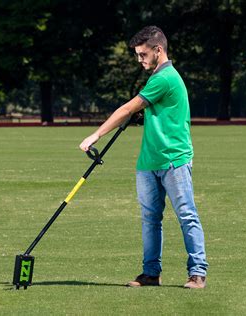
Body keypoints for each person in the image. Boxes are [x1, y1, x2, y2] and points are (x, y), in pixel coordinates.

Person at [79, 26, 208, 289]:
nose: (140, 60)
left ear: (158, 50)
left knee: (186, 215)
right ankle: (151, 274)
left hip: (174, 160)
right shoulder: (156, 79)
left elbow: (128, 108)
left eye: (142, 54)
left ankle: (197, 272)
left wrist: (96, 135)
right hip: (149, 161)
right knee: (150, 220)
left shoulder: (166, 77)